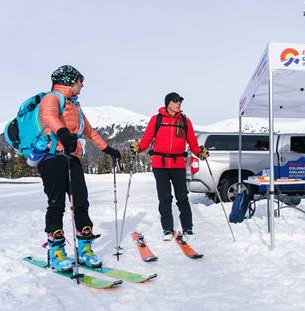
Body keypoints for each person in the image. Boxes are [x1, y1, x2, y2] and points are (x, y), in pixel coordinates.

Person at [38, 65, 121, 271]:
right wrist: (63, 133)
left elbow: (90, 132)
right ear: (69, 81)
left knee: (81, 202)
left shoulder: (74, 106)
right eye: (79, 81)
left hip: (71, 157)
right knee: (56, 204)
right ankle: (56, 251)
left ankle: (85, 249)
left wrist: (108, 149)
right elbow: (49, 116)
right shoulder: (52, 98)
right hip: (51, 157)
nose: (82, 85)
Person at [130, 92, 209, 240]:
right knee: (165, 198)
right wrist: (138, 148)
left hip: (178, 164)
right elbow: (146, 140)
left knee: (182, 198)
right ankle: (167, 228)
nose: (179, 103)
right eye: (175, 101)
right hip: (160, 165)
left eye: (180, 101)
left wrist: (200, 152)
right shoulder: (156, 120)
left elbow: (192, 143)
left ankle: (188, 228)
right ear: (168, 104)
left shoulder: (185, 121)